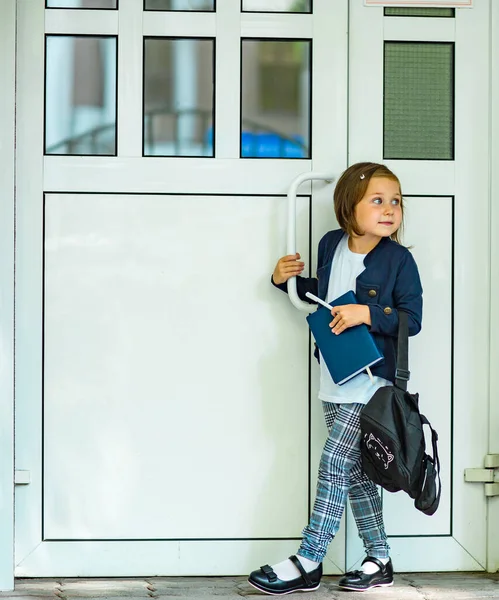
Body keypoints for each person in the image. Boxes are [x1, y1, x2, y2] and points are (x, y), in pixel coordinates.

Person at [248, 162, 423, 595]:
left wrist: (367, 313)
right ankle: (379, 556)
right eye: (377, 201)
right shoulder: (331, 244)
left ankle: (308, 559)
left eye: (395, 202)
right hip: (334, 375)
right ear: (349, 207)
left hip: (371, 382)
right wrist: (284, 282)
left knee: (332, 464)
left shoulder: (399, 260)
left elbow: (412, 319)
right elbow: (323, 296)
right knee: (357, 471)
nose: (389, 210)